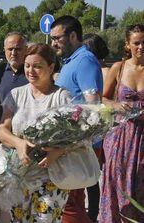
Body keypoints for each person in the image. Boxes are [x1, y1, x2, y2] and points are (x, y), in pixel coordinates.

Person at [0, 43, 71, 222]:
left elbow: (76, 137)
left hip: (51, 177)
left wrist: (57, 151)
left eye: (38, 66)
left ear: (51, 67)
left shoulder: (62, 97)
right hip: (19, 176)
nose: (31, 71)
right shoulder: (16, 95)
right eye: (28, 65)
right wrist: (19, 143)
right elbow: (2, 130)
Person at [50, 15, 103, 223]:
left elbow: (92, 105)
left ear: (72, 36)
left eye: (57, 38)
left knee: (71, 204)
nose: (53, 43)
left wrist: (76, 141)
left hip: (78, 146)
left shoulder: (85, 60)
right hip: (70, 144)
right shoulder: (72, 61)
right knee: (70, 202)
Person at [100, 24, 144, 223]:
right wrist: (116, 105)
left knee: (140, 189)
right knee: (116, 188)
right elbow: (103, 98)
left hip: (142, 138)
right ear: (128, 44)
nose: (141, 47)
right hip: (119, 137)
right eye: (137, 43)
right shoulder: (118, 68)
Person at [0, 31, 28, 223]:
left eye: (18, 49)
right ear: (4, 50)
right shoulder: (2, 70)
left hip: (25, 143)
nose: (14, 53)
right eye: (10, 49)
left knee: (24, 194)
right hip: (4, 140)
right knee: (5, 194)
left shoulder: (31, 71)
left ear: (26, 50)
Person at [83, 33, 110, 223]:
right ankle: (92, 214)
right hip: (102, 133)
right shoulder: (107, 70)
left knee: (88, 176)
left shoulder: (97, 71)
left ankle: (90, 214)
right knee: (93, 178)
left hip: (94, 132)